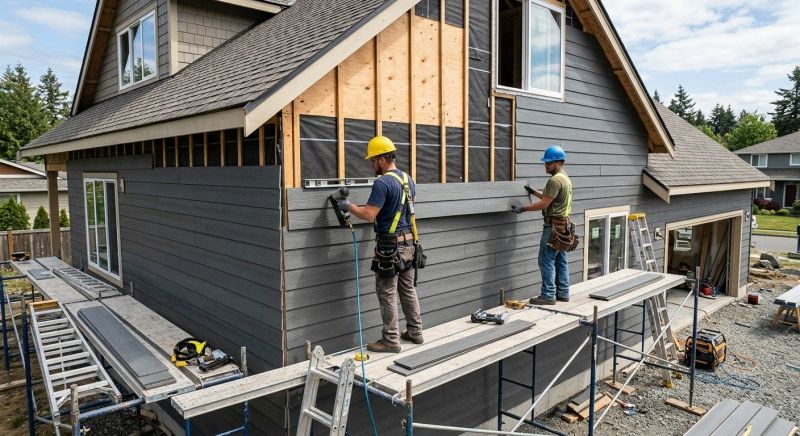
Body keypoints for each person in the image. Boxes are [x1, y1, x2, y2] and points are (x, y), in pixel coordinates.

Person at [338, 136, 423, 353]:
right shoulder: (407, 179)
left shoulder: (382, 182)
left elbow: (368, 214)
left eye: (373, 160)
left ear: (383, 159)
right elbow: (401, 208)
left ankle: (390, 341)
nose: (371, 165)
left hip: (390, 246)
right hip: (409, 243)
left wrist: (348, 206)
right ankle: (415, 332)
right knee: (407, 289)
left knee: (386, 292)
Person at [511, 145, 573, 305]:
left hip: (553, 227)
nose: (546, 166)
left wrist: (523, 208)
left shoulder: (554, 180)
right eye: (545, 163)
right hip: (564, 227)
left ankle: (548, 295)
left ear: (559, 163)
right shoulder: (564, 177)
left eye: (549, 163)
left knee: (545, 259)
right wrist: (533, 192)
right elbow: (550, 198)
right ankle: (563, 293)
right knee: (560, 259)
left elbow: (544, 204)